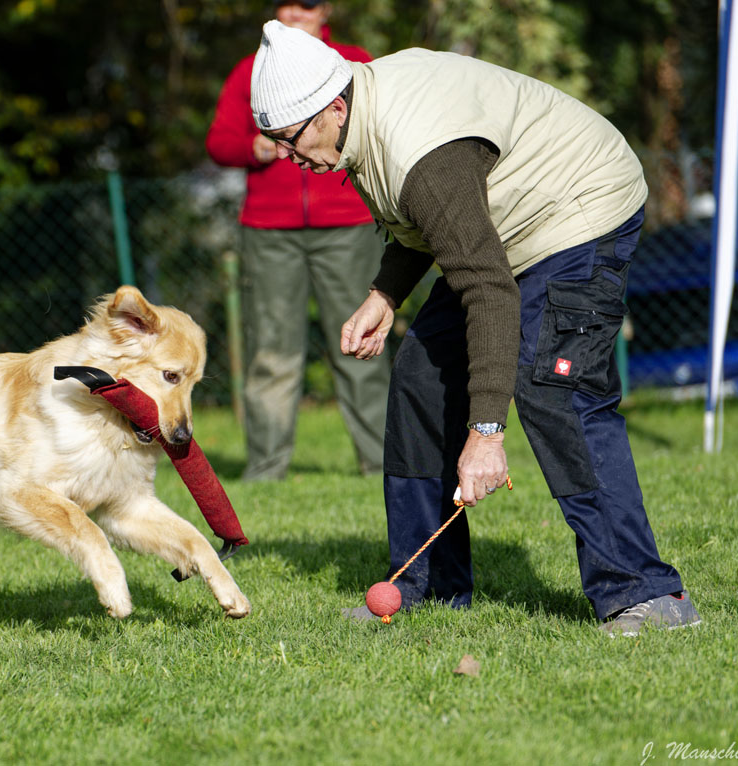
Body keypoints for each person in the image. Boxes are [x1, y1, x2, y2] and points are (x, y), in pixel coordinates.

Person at [248, 20, 702, 637]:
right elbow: (428, 222)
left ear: (331, 107)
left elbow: (487, 288)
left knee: (557, 392)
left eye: (290, 138)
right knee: (419, 384)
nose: (287, 155)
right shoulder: (354, 127)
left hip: (580, 203)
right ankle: (427, 587)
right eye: (274, 141)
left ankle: (647, 593)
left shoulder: (416, 148)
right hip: (509, 229)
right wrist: (386, 293)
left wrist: (486, 432)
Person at [206, 1, 390, 482]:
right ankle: (266, 469)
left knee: (360, 344)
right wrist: (254, 147)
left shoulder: (351, 59)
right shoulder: (249, 70)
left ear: (324, 9)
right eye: (287, 3)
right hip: (269, 231)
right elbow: (218, 142)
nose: (297, 12)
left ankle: (383, 463)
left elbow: (377, 126)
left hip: (348, 225)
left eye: (307, 3)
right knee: (272, 353)